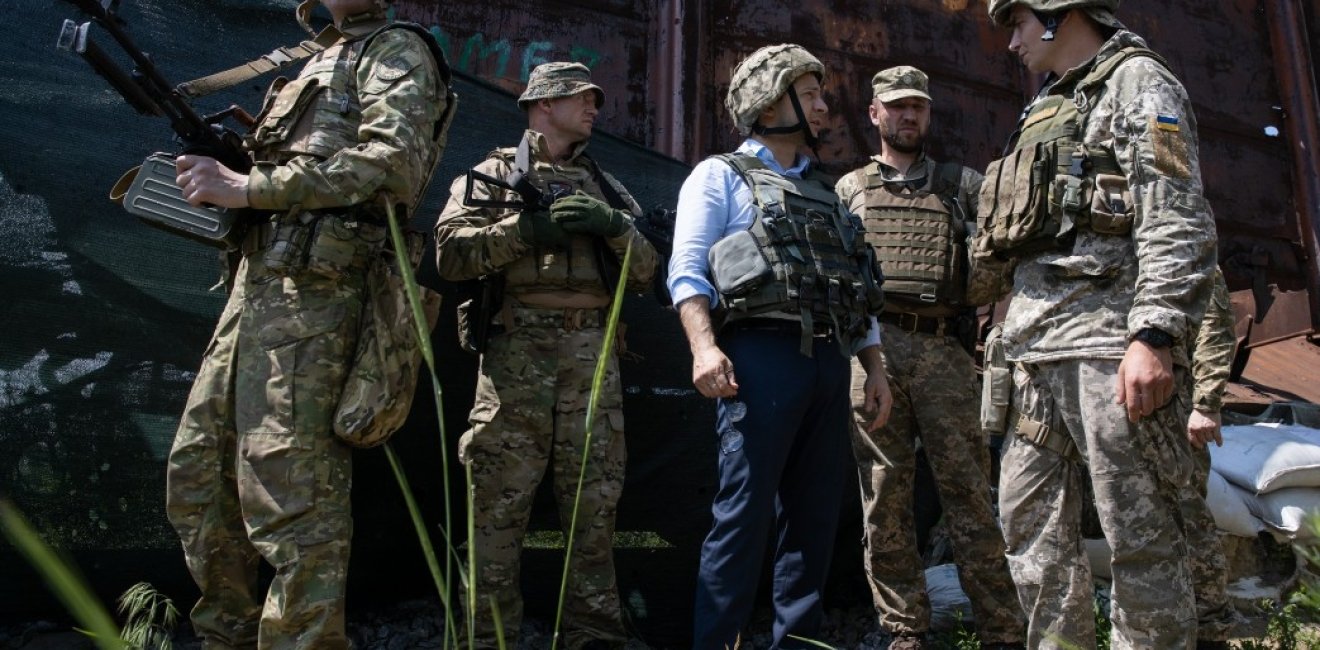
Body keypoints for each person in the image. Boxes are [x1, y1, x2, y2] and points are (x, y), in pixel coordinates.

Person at [164, 0, 452, 647]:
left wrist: (248, 187)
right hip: (256, 289)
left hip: (317, 302)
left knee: (293, 503)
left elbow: (393, 165)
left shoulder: (394, 49)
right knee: (199, 480)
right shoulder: (313, 56)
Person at [978, 0, 1219, 647]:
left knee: (1139, 536)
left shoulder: (1140, 83)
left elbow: (1177, 215)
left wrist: (1155, 334)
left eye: (1019, 23)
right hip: (1035, 353)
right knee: (1029, 533)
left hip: (1108, 349)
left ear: (1057, 15)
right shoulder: (1046, 107)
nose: (1012, 44)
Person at [666, 43, 894, 649]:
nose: (823, 106)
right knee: (741, 518)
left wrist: (873, 367)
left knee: (814, 517)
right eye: (811, 93)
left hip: (827, 363)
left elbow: (857, 283)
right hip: (758, 361)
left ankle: (799, 642)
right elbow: (686, 271)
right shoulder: (719, 176)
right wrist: (703, 349)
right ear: (770, 101)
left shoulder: (828, 190)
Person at [433, 61, 657, 649]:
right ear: (542, 105)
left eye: (594, 99)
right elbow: (449, 257)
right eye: (579, 98)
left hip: (592, 356)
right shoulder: (491, 176)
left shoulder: (608, 188)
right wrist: (522, 232)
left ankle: (593, 634)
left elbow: (648, 274)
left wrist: (614, 227)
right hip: (515, 355)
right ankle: (487, 637)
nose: (593, 108)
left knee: (595, 503)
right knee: (495, 505)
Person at [835, 65, 1024, 650]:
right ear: (875, 114)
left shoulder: (961, 184)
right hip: (873, 352)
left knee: (969, 492)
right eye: (896, 106)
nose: (908, 116)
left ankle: (1002, 628)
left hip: (945, 350)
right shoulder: (850, 189)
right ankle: (904, 630)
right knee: (884, 497)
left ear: (929, 114)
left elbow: (997, 262)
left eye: (918, 106)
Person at [1181, 268, 1239, 649]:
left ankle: (1211, 633)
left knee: (1189, 521)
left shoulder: (1178, 228)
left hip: (1173, 411)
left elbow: (1215, 322)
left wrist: (1206, 402)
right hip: (1109, 410)